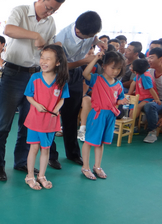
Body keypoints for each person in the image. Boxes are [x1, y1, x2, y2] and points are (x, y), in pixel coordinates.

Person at [0, 0, 66, 182]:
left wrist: (54, 47)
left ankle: (21, 161)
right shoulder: (21, 11)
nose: (49, 13)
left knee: (28, 124)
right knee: (3, 125)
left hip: (36, 77)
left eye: (54, 11)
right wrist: (35, 35)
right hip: (13, 73)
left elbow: (48, 48)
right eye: (48, 8)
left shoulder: (51, 22)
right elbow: (8, 29)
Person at [48, 11, 106, 170]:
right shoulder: (61, 38)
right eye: (91, 36)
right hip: (58, 75)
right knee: (53, 115)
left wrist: (99, 41)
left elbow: (93, 37)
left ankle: (73, 153)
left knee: (72, 116)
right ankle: (51, 156)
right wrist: (84, 61)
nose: (92, 38)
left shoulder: (87, 32)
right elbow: (59, 65)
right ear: (79, 31)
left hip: (76, 75)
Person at [24, 45, 69, 190]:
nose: (43, 61)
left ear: (57, 62)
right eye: (42, 58)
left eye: (48, 59)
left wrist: (57, 108)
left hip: (50, 121)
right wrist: (36, 105)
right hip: (35, 120)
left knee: (46, 149)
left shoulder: (61, 80)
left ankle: (41, 175)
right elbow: (28, 95)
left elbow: (62, 98)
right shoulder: (35, 77)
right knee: (34, 148)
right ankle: (30, 175)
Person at [81, 51, 127, 180]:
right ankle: (85, 167)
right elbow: (85, 74)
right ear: (105, 66)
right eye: (113, 68)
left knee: (100, 142)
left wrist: (121, 101)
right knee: (89, 141)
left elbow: (118, 100)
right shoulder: (97, 79)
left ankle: (97, 166)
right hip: (97, 114)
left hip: (110, 116)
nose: (116, 71)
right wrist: (95, 59)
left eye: (118, 68)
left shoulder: (119, 85)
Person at [143, 48, 162, 143]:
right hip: (153, 100)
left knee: (150, 106)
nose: (148, 60)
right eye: (148, 57)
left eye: (151, 57)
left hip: (160, 102)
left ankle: (152, 131)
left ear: (161, 59)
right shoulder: (149, 72)